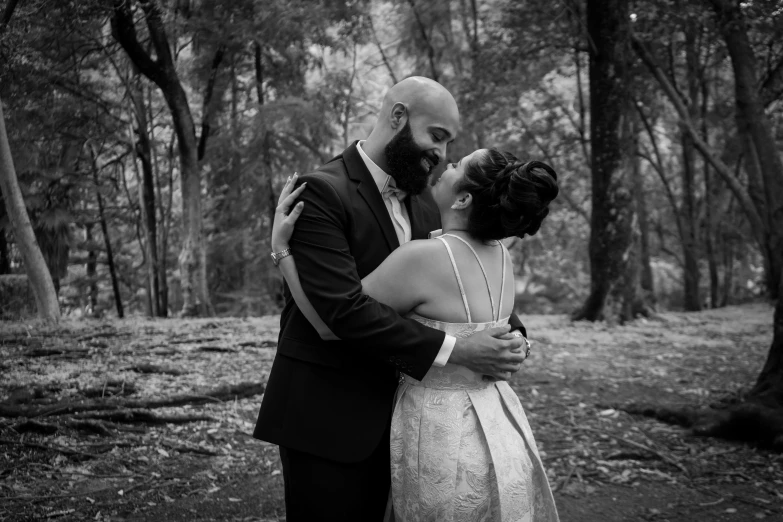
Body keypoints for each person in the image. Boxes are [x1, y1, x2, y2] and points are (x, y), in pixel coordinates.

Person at [253, 77, 530, 521]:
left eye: (449, 144)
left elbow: (455, 277)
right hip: (329, 415)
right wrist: (281, 252)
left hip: (412, 425)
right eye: (436, 136)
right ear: (399, 117)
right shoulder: (323, 191)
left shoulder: (426, 200)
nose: (441, 155)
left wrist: (510, 331)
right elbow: (340, 313)